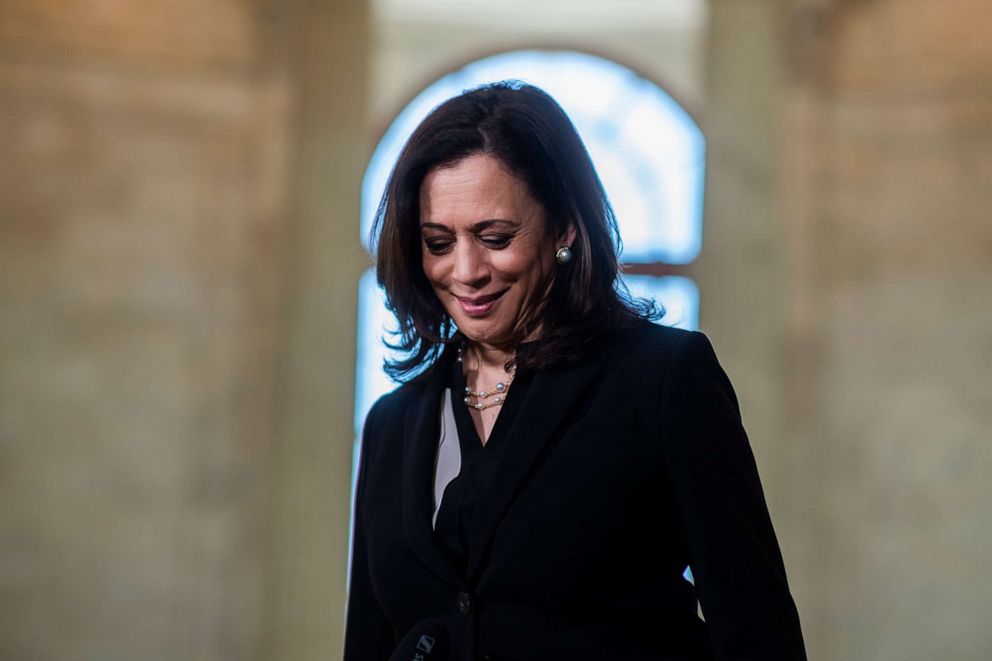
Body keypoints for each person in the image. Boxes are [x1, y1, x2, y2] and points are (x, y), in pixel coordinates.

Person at [344, 81, 806, 661]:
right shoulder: (392, 422)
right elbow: (369, 640)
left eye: (495, 238)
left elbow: (758, 630)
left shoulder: (664, 378)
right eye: (438, 243)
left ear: (564, 226)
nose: (466, 271)